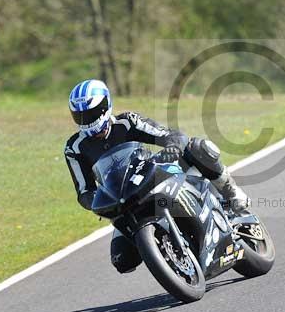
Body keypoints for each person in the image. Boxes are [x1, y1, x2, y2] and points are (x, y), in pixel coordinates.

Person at [64, 79, 249, 273]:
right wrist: (97, 202)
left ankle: (231, 192)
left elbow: (171, 135)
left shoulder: (127, 122)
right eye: (81, 116)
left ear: (105, 106)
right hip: (121, 201)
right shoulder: (74, 148)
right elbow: (84, 190)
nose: (87, 120)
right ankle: (170, 255)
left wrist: (172, 148)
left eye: (91, 113)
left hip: (150, 176)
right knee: (122, 260)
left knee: (197, 148)